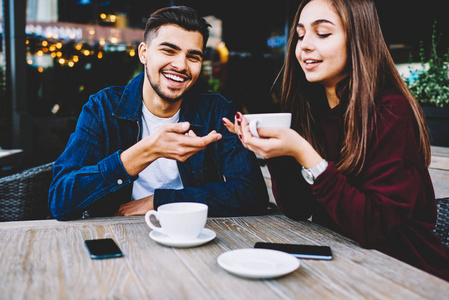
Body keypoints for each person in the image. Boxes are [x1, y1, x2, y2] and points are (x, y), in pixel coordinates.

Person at [224, 0, 449, 281]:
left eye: (323, 33)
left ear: (358, 39)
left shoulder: (390, 110)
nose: (304, 45)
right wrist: (277, 153)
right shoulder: (311, 108)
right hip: (342, 263)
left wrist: (305, 154)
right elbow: (297, 208)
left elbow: (374, 227)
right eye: (301, 34)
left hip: (407, 273)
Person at [49, 6, 269, 221]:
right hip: (120, 236)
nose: (181, 65)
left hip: (193, 235)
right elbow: (60, 200)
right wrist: (147, 151)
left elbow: (252, 194)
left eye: (193, 56)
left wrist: (159, 201)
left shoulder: (216, 111)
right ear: (144, 53)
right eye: (169, 51)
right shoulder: (103, 107)